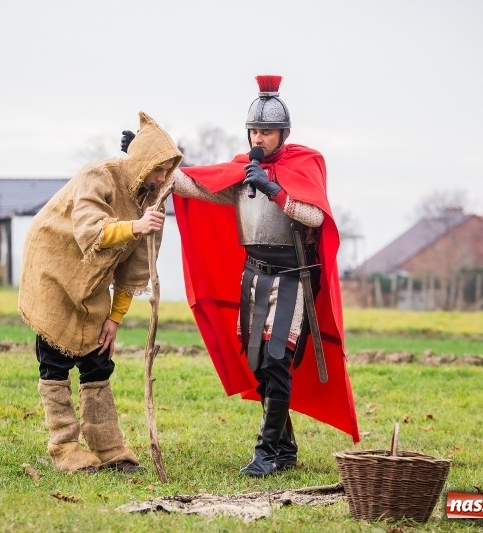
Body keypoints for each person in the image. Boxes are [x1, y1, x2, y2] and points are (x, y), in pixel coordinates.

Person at [124, 75, 359, 476]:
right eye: (254, 130)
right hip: (254, 276)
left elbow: (316, 216)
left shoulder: (304, 165)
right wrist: (145, 158)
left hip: (292, 278)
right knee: (258, 364)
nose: (258, 137)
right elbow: (192, 185)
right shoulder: (242, 172)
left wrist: (275, 190)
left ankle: (267, 452)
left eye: (266, 131)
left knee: (276, 361)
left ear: (283, 133)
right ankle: (284, 446)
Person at [19, 111, 183, 474]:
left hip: (91, 278)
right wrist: (135, 226)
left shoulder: (150, 200)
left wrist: (115, 318)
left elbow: (134, 267)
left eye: (167, 171)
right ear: (143, 162)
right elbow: (89, 229)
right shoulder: (99, 174)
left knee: (97, 358)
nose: (163, 178)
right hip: (54, 267)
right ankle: (64, 448)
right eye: (159, 169)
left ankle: (108, 447)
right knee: (55, 359)